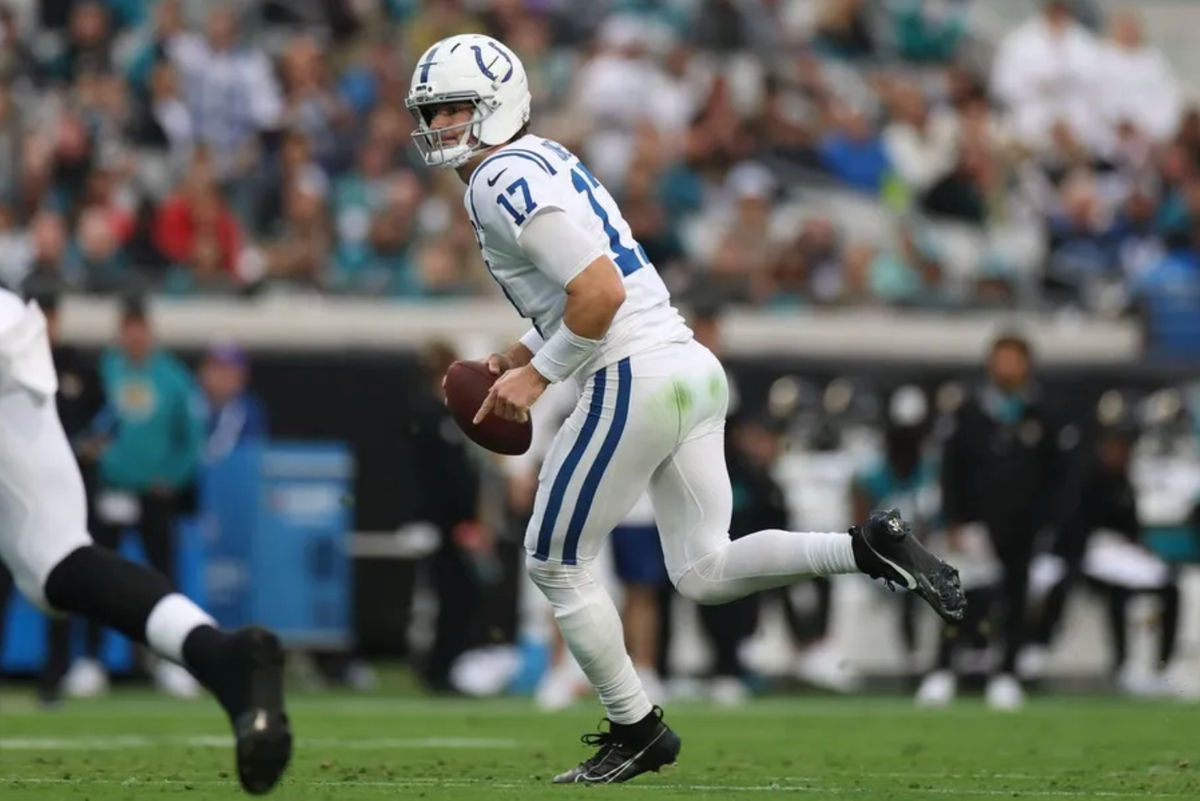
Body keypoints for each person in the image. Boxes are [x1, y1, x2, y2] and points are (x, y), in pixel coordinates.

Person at [407, 33, 965, 784]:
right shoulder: (544, 159)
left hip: (633, 373)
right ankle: (867, 547)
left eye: (453, 108)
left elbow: (599, 293)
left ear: (497, 105)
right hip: (690, 367)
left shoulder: (496, 177)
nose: (438, 124)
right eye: (432, 112)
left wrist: (538, 376)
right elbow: (588, 289)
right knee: (704, 567)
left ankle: (635, 727)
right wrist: (515, 353)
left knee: (552, 560)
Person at [0, 287, 290, 794]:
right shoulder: (113, 367)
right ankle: (219, 655)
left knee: (53, 560)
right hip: (8, 330)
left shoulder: (165, 378)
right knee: (56, 559)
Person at [66, 296, 205, 698]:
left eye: (140, 329)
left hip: (153, 496)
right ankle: (91, 659)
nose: (134, 337)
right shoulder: (103, 371)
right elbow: (81, 421)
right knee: (95, 577)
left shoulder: (173, 378)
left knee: (164, 577)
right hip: (109, 491)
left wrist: (172, 477)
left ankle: (171, 661)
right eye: (128, 329)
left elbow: (191, 439)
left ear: (150, 331)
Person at [941, 333, 1076, 710]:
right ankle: (946, 668)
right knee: (964, 595)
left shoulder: (1044, 413)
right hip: (977, 524)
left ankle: (1007, 673)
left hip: (1025, 524)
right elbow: (952, 470)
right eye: (1000, 359)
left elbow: (1060, 475)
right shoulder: (970, 412)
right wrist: (955, 520)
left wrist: (1049, 521)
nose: (1005, 368)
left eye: (1013, 360)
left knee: (1016, 600)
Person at [198, 341, 268, 463]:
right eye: (215, 367)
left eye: (228, 370)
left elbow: (252, 456)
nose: (221, 376)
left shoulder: (249, 411)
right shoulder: (188, 404)